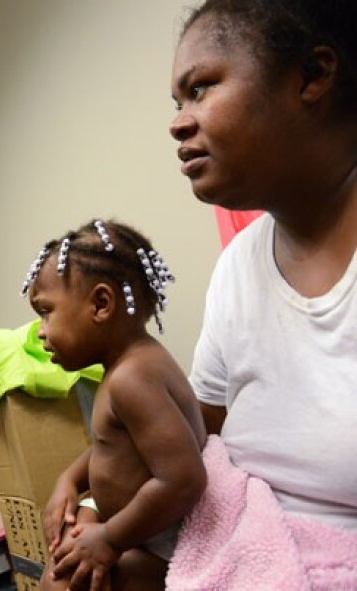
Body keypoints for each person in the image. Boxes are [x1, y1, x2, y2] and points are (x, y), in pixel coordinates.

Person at [165, 0, 357, 586]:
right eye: (177, 103)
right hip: (244, 542)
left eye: (200, 89)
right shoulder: (238, 268)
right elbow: (204, 427)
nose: (177, 122)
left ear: (312, 75)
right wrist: (97, 482)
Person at [21, 219, 207, 591]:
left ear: (101, 304)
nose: (41, 331)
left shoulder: (132, 379)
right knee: (62, 562)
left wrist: (109, 539)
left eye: (46, 312)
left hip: (163, 549)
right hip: (140, 532)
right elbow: (113, 446)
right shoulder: (128, 366)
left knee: (61, 581)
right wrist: (70, 479)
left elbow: (182, 480)